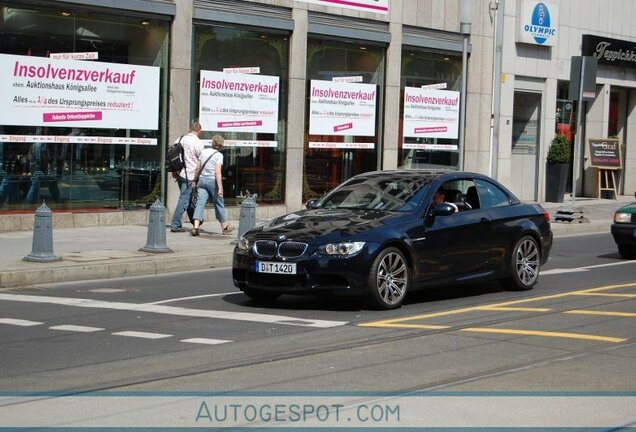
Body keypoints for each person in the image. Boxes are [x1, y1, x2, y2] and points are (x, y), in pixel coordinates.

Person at [191, 134, 235, 236]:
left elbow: (198, 168)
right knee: (219, 203)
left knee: (200, 203)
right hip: (212, 181)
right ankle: (224, 227)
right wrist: (220, 188)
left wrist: (194, 180)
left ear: (212, 143)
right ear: (221, 145)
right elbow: (217, 172)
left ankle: (195, 226)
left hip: (202, 180)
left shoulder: (204, 152)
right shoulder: (219, 155)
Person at [170, 121, 203, 232]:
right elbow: (201, 160)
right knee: (184, 200)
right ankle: (175, 224)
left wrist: (173, 171)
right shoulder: (198, 143)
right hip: (190, 174)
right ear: (199, 131)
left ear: (190, 129)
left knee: (187, 197)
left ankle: (195, 220)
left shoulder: (180, 139)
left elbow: (172, 155)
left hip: (180, 173)